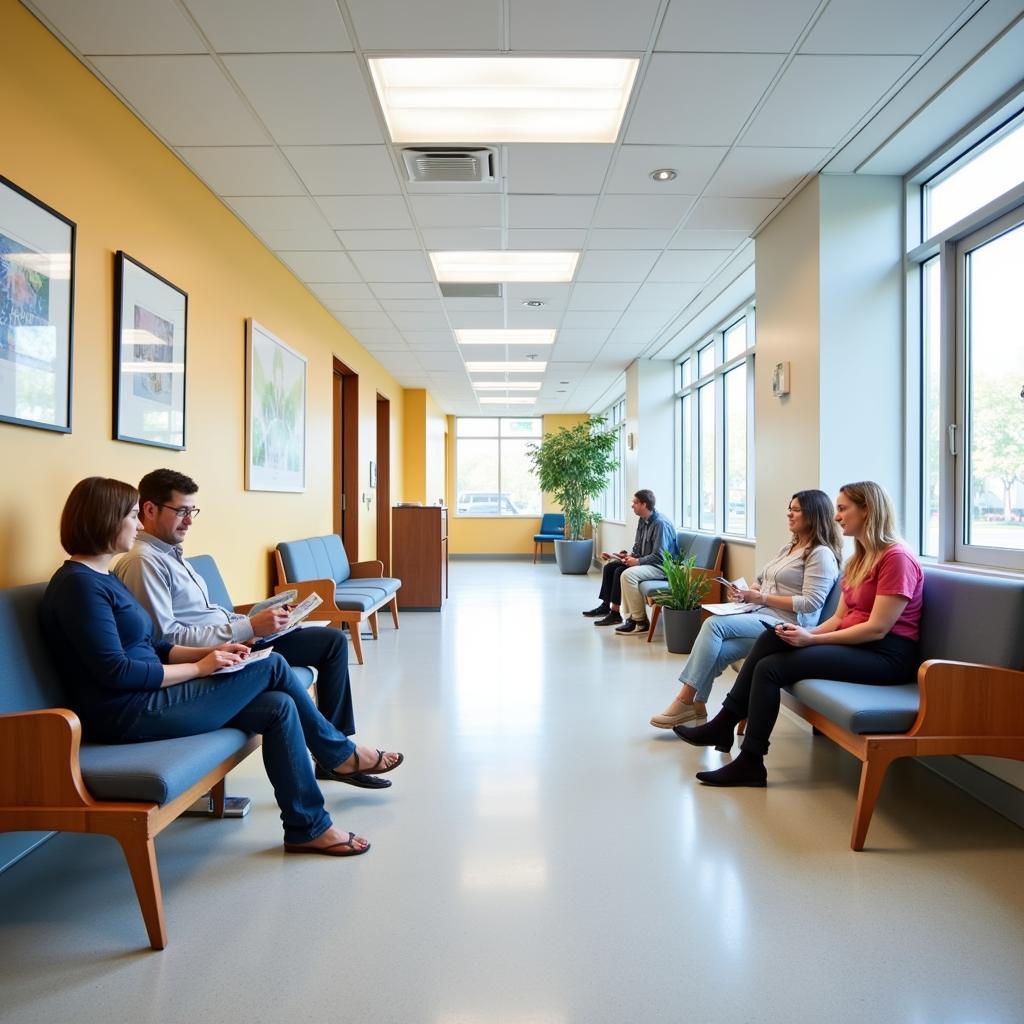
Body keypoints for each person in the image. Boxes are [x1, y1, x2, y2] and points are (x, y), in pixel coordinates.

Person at [41, 477, 404, 857]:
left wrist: (218, 655)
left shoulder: (100, 579)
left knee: (279, 706)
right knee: (272, 665)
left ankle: (307, 827)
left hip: (151, 696)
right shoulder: (79, 587)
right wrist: (201, 667)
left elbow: (154, 644)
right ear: (105, 520)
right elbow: (117, 672)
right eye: (132, 516)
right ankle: (341, 755)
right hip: (129, 712)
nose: (136, 525)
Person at [113, 469, 380, 789]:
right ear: (150, 509)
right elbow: (166, 638)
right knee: (287, 665)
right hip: (214, 653)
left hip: (237, 636)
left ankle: (336, 751)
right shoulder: (144, 562)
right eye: (181, 511)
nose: (189, 520)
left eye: (191, 511)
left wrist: (255, 619)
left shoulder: (172, 554)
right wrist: (246, 628)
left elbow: (208, 613)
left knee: (332, 641)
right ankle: (339, 756)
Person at [674, 481, 923, 787]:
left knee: (770, 668)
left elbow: (877, 628)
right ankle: (730, 734)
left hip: (886, 655)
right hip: (859, 646)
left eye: (843, 509)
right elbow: (840, 618)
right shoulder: (858, 560)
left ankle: (744, 752)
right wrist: (803, 633)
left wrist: (812, 640)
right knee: (773, 637)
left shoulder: (897, 558)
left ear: (868, 510)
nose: (837, 517)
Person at [650, 490, 841, 728]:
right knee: (720, 652)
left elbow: (811, 602)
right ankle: (697, 708)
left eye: (796, 509)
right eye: (789, 508)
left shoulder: (820, 554)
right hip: (760, 615)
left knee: (712, 624)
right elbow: (761, 579)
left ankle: (685, 701)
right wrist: (745, 593)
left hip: (788, 626)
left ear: (813, 515)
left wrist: (761, 597)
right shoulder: (789, 548)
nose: (789, 514)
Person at [582, 489, 679, 633]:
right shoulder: (642, 520)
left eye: (635, 502)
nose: (632, 505)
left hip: (661, 567)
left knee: (622, 572)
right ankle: (607, 606)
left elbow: (659, 556)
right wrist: (624, 556)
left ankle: (634, 619)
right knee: (611, 566)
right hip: (648, 562)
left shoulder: (661, 524)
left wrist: (637, 561)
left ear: (644, 504)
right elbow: (638, 547)